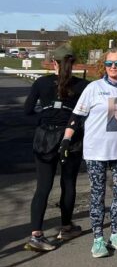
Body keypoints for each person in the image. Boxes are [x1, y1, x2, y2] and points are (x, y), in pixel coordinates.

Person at [61, 49, 117, 257]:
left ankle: (116, 234)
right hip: (96, 151)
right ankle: (98, 239)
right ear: (103, 66)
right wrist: (66, 139)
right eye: (108, 63)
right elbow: (76, 116)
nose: (113, 67)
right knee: (97, 194)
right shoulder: (93, 88)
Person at [24, 53, 88, 252]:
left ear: (54, 64)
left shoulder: (41, 83)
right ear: (73, 64)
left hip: (45, 136)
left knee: (43, 186)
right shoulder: (83, 85)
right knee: (68, 183)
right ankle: (67, 226)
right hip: (71, 137)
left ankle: (36, 234)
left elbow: (27, 110)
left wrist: (44, 115)